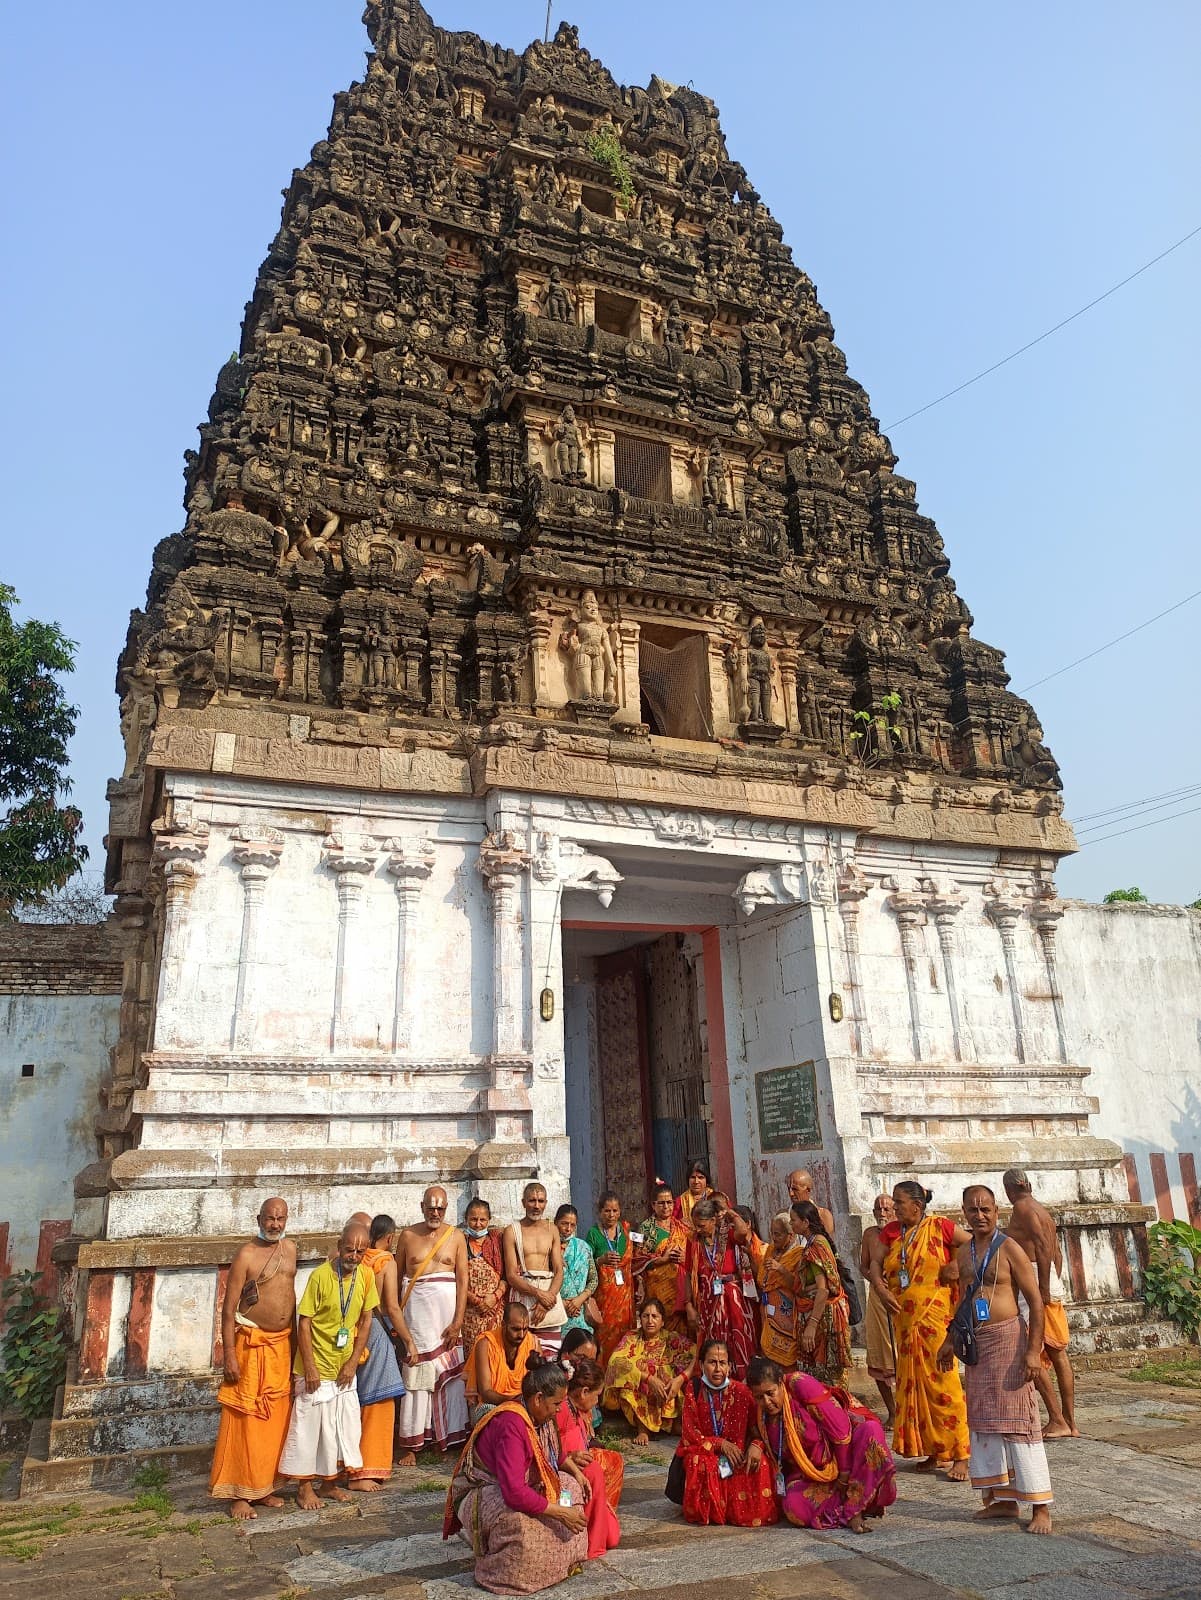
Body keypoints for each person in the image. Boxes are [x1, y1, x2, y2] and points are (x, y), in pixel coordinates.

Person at [938, 1186, 1054, 1534]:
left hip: (1008, 1340)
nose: (980, 1215)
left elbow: (1035, 1302)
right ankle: (1002, 1500)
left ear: (997, 1211)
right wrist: (948, 1340)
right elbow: (962, 1301)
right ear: (964, 1213)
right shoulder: (964, 1252)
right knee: (985, 1422)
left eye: (986, 1209)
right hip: (978, 1344)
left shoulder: (1010, 1249)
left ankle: (1040, 1506)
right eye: (973, 1210)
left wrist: (1033, 1351)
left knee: (1020, 1421)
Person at [443, 1357, 589, 1594]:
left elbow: (555, 1456)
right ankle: (500, 1572)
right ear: (538, 1398)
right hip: (483, 1491)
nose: (560, 1409)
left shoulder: (543, 1416)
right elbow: (513, 1493)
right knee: (520, 1524)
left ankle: (564, 1561)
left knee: (570, 1487)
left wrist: (577, 1475)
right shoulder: (512, 1423)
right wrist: (560, 1512)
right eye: (556, 1403)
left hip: (524, 1485)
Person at [868, 1180, 970, 1480]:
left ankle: (960, 1453)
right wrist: (879, 1286)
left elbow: (975, 1242)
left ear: (917, 1204)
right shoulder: (891, 1233)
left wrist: (956, 1265)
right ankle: (932, 1449)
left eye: (899, 1203)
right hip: (903, 1320)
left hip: (934, 1318)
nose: (894, 1208)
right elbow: (874, 1263)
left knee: (942, 1382)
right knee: (913, 1384)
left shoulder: (940, 1227)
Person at [209, 1197, 297, 1520]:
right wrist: (229, 1353)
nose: (275, 1224)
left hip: (281, 1345)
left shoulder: (290, 1250)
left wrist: (298, 1349)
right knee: (244, 1418)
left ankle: (263, 1487)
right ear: (258, 1218)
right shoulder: (245, 1254)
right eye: (270, 1218)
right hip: (250, 1346)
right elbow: (228, 1308)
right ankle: (238, 1493)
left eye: (281, 1218)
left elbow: (293, 1300)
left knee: (273, 1419)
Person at [280, 1221, 378, 1509]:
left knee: (339, 1428)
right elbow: (304, 1321)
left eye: (361, 1251)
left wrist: (352, 1362)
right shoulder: (320, 1276)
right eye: (350, 1250)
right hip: (317, 1365)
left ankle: (329, 1483)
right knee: (309, 1429)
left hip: (344, 1366)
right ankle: (304, 1487)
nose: (354, 1256)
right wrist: (309, 1366)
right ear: (339, 1247)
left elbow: (367, 1319)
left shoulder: (366, 1276)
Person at [747, 1355, 896, 1533]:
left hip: (847, 1458)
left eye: (770, 1393)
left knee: (871, 1431)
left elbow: (840, 1430)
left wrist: (844, 1474)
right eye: (759, 1397)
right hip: (811, 1474)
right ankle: (845, 1507)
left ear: (780, 1383)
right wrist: (757, 1444)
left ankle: (855, 1508)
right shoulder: (761, 1414)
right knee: (793, 1509)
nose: (767, 1402)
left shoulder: (799, 1384)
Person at [395, 1186, 469, 1463]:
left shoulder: (456, 1236)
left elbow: (463, 1281)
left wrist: (458, 1321)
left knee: (450, 1373)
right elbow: (397, 1276)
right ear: (421, 1206)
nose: (435, 1212)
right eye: (430, 1207)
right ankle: (414, 1444)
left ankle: (450, 1435)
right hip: (418, 1318)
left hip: (448, 1318)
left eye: (440, 1208)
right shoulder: (408, 1236)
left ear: (447, 1208)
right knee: (417, 1371)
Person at [1002, 1168, 1078, 1438]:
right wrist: (1052, 1280)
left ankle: (1058, 1419)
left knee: (1029, 1349)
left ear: (1009, 1190)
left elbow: (1044, 1247)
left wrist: (1042, 1287)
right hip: (1044, 1280)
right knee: (1057, 1353)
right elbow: (1055, 1251)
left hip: (1034, 1282)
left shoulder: (1024, 1209)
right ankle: (1070, 1422)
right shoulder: (1040, 1209)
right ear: (1028, 1184)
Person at [671, 1338, 777, 1526]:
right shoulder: (693, 1390)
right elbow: (690, 1433)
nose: (718, 1369)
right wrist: (720, 1444)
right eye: (712, 1362)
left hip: (736, 1455)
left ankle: (739, 1512)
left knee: (759, 1462)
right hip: (707, 1452)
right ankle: (715, 1511)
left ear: (729, 1366)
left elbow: (760, 1431)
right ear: (702, 1365)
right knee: (700, 1464)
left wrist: (755, 1445)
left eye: (722, 1363)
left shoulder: (743, 1392)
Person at [349, 1213, 413, 1490]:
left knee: (355, 1401)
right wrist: (409, 1341)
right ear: (390, 1238)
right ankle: (366, 1470)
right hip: (375, 1331)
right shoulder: (386, 1263)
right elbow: (392, 1308)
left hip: (350, 1332)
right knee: (380, 1400)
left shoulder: (356, 1257)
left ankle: (350, 1464)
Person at [682, 1198, 759, 1380]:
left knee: (739, 1340)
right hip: (708, 1303)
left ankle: (742, 1381)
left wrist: (730, 1213)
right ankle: (718, 1382)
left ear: (713, 1220)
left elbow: (743, 1231)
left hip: (734, 1300)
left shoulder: (728, 1234)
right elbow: (688, 1274)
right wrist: (688, 1305)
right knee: (714, 1344)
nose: (698, 1229)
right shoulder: (693, 1241)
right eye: (696, 1225)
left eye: (701, 1225)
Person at [602, 1297, 694, 1445]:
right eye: (645, 1316)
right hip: (641, 1391)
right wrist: (648, 1378)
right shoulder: (631, 1337)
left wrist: (679, 1378)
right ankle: (642, 1429)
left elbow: (696, 1355)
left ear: (663, 1321)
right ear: (640, 1319)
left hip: (666, 1392)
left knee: (670, 1372)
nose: (650, 1321)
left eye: (654, 1316)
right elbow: (615, 1361)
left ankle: (673, 1424)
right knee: (633, 1375)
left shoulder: (671, 1338)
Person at [556, 1357, 623, 1558]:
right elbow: (546, 1445)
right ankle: (592, 1543)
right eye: (597, 1396)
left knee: (613, 1536)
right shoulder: (561, 1409)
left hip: (580, 1472)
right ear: (584, 1392)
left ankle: (597, 1530)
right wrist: (569, 1457)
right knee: (593, 1470)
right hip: (566, 1479)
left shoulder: (579, 1410)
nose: (597, 1403)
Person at [790, 1200, 851, 1387]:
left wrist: (812, 1325)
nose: (791, 1224)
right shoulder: (814, 1243)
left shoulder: (816, 1245)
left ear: (805, 1222)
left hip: (825, 1318)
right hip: (819, 1312)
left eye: (793, 1220)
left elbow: (823, 1289)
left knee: (828, 1378)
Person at [503, 1182, 567, 1356]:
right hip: (525, 1297)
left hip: (550, 1298)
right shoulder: (512, 1231)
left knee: (551, 1358)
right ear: (523, 1202)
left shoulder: (552, 1229)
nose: (536, 1206)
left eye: (540, 1201)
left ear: (546, 1203)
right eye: (532, 1200)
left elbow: (559, 1271)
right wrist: (540, 1295)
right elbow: (511, 1275)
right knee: (524, 1357)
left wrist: (548, 1300)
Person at [585, 1193, 636, 1368]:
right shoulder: (593, 1234)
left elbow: (637, 1256)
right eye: (607, 1211)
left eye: (615, 1211)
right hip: (604, 1298)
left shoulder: (626, 1232)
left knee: (625, 1336)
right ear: (600, 1212)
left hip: (625, 1295)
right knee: (606, 1337)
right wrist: (601, 1260)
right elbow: (585, 1262)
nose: (611, 1215)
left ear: (620, 1211)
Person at [469, 1302, 542, 1423]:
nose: (521, 1335)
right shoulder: (485, 1344)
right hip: (490, 1405)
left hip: (523, 1405)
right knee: (508, 1419)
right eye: (516, 1329)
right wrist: (514, 1401)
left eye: (525, 1329)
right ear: (503, 1325)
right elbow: (486, 1393)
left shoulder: (532, 1343)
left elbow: (540, 1383)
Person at [860, 1194, 897, 1427]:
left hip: (899, 1297)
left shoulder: (902, 1234)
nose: (881, 1213)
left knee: (902, 1356)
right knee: (878, 1356)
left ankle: (908, 1411)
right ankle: (892, 1412)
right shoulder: (870, 1234)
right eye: (877, 1208)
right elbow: (863, 1265)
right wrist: (876, 1280)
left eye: (886, 1208)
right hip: (876, 1297)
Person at [635, 1184, 690, 1331]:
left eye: (669, 1202)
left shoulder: (683, 1226)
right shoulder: (644, 1229)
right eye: (661, 1203)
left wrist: (685, 1257)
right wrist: (663, 1260)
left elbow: (695, 1253)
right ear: (653, 1205)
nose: (666, 1207)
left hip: (681, 1288)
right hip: (657, 1289)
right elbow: (638, 1261)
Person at [461, 1196, 507, 1369]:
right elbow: (455, 1278)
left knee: (493, 1358)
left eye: (482, 1220)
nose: (478, 1224)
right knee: (470, 1361)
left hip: (494, 1312)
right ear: (465, 1219)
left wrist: (494, 1298)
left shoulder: (497, 1242)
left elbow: (507, 1276)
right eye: (473, 1219)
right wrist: (476, 1300)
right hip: (469, 1314)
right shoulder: (460, 1242)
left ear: (489, 1220)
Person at [758, 1211, 802, 1368]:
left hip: (787, 1315)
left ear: (790, 1236)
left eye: (777, 1234)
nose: (773, 1238)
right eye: (772, 1233)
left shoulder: (798, 1255)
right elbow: (762, 1279)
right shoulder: (770, 1251)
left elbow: (798, 1286)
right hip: (768, 1314)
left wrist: (781, 1269)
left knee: (787, 1363)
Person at [555, 1204, 599, 1336]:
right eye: (564, 1223)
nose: (568, 1229)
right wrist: (560, 1303)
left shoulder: (583, 1247)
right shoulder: (547, 1248)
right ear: (555, 1222)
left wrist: (579, 1300)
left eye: (572, 1225)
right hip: (555, 1309)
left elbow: (594, 1279)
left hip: (579, 1311)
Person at [786, 1169, 835, 1238]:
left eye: (795, 1189)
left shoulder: (823, 1215)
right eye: (789, 1189)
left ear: (808, 1190)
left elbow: (826, 1246)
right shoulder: (783, 1216)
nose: (791, 1194)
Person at [673, 1162, 713, 1231]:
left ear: (707, 1180)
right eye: (693, 1177)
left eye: (700, 1177)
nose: (696, 1181)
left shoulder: (715, 1198)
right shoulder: (680, 1202)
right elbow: (671, 1223)